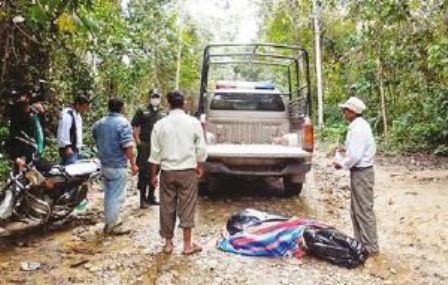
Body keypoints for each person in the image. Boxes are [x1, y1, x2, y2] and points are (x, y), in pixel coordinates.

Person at [149, 90, 207, 255]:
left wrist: (154, 175)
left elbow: (155, 153)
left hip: (167, 171)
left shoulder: (160, 125)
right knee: (187, 206)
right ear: (184, 104)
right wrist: (200, 165)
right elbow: (201, 148)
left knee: (167, 206)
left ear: (169, 104)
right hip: (187, 170)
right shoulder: (193, 123)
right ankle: (188, 245)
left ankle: (168, 244)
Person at [333, 96, 379, 255]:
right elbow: (355, 152)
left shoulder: (358, 129)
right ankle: (361, 244)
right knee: (356, 210)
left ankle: (371, 247)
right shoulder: (359, 126)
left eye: (345, 110)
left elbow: (355, 156)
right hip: (359, 172)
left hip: (362, 173)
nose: (343, 113)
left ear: (352, 112)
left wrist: (341, 163)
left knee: (364, 210)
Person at [92, 97, 139, 235]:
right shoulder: (123, 123)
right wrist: (133, 164)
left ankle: (108, 223)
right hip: (117, 165)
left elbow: (95, 136)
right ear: (122, 107)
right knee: (117, 196)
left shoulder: (99, 123)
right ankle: (112, 225)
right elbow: (128, 146)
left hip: (104, 164)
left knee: (108, 194)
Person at [131, 89, 165, 208]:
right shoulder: (142, 111)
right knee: (144, 172)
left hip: (158, 146)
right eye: (153, 97)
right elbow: (135, 128)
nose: (155, 99)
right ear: (149, 98)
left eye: (157, 97)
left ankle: (152, 196)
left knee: (155, 171)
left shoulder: (163, 112)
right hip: (145, 145)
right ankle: (142, 198)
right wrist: (138, 143)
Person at [6, 88, 46, 164]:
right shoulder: (15, 113)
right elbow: (13, 134)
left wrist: (39, 148)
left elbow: (39, 131)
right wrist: (15, 156)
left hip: (30, 149)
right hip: (18, 149)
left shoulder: (33, 115)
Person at [57, 95, 90, 165]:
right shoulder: (68, 115)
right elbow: (64, 131)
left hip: (74, 148)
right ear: (78, 105)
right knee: (69, 169)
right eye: (83, 107)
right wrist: (67, 147)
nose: (84, 110)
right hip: (69, 149)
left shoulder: (77, 115)